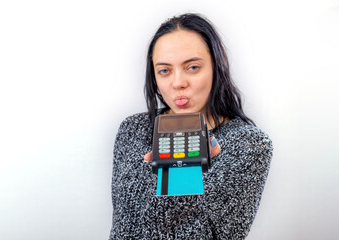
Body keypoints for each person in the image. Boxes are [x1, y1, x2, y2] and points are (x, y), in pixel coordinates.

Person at [109, 13, 273, 239]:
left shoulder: (249, 144)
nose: (178, 83)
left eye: (193, 67)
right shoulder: (133, 130)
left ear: (217, 68)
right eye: (164, 70)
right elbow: (123, 229)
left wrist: (180, 170)